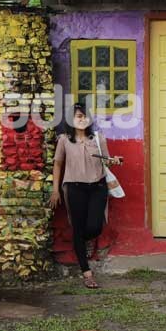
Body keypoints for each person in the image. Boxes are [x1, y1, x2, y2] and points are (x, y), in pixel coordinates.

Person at [49, 103, 121, 289]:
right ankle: (86, 273)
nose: (81, 119)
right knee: (78, 229)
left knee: (95, 226)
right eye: (77, 116)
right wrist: (55, 190)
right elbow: (57, 164)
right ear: (70, 120)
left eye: (84, 116)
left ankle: (87, 240)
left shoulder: (98, 139)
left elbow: (108, 162)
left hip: (98, 186)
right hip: (74, 188)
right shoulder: (64, 140)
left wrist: (114, 161)